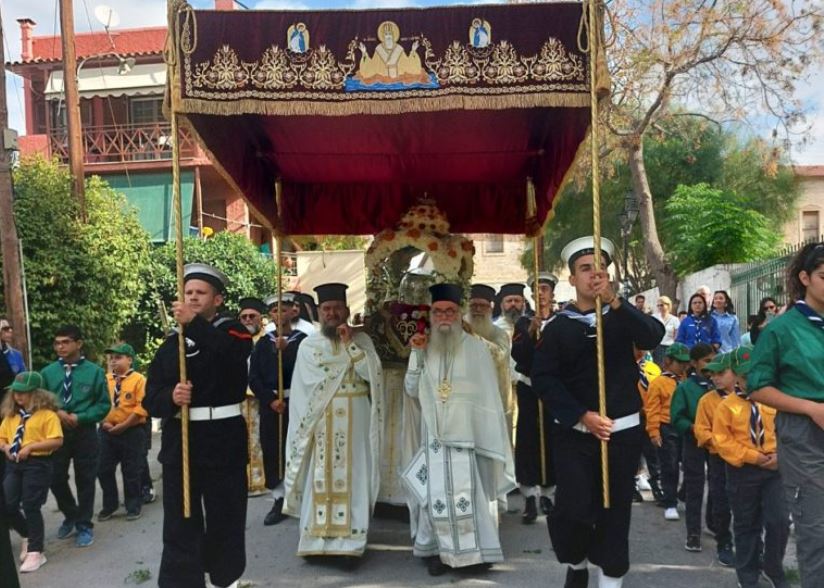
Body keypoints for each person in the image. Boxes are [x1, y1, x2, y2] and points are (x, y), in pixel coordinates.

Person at [531, 236, 664, 588]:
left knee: (615, 514)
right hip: (576, 435)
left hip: (622, 436)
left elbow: (652, 337)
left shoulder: (623, 318)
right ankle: (576, 562)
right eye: (585, 269)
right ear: (572, 279)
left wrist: (616, 302)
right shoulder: (558, 327)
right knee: (572, 511)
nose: (594, 275)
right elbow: (544, 379)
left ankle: (610, 578)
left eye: (600, 269)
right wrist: (581, 416)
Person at [144, 263, 253, 588]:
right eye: (188, 292)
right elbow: (150, 397)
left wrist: (193, 326)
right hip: (183, 444)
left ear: (217, 299)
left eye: (199, 293)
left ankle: (225, 578)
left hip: (223, 441)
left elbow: (233, 353)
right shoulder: (171, 344)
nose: (192, 298)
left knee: (225, 515)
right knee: (180, 521)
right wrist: (171, 396)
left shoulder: (234, 331)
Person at [403, 283, 515, 576]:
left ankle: (476, 552)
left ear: (458, 314)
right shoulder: (423, 347)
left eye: (449, 311)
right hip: (436, 437)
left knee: (471, 494)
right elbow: (412, 390)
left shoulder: (477, 348)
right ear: (430, 314)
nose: (443, 317)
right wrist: (415, 355)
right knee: (435, 496)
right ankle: (437, 553)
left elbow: (486, 394)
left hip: (468, 435)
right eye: (438, 312)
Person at [282, 283, 384, 560]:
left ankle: (350, 545)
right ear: (318, 312)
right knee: (321, 477)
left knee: (355, 476)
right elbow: (305, 391)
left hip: (357, 418)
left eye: (337, 308)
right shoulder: (308, 345)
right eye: (326, 309)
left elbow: (371, 377)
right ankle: (316, 543)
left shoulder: (362, 342)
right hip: (321, 421)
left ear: (347, 311)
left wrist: (350, 344)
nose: (332, 313)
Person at [748, 241, 824, 587]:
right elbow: (758, 386)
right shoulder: (780, 329)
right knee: (817, 530)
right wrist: (810, 408)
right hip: (804, 435)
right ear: (805, 278)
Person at [713, 347, 790, 588]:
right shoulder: (727, 406)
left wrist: (781, 455)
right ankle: (747, 574)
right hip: (743, 470)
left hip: (775, 468)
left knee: (779, 521)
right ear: (735, 375)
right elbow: (722, 441)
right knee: (746, 523)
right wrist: (751, 457)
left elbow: (788, 431)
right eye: (745, 376)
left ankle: (773, 566)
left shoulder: (775, 399)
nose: (750, 381)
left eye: (754, 374)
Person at [40, 325, 109, 548]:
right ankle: (71, 514)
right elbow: (40, 402)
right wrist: (57, 412)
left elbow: (103, 405)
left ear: (78, 344)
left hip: (85, 432)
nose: (60, 347)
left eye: (65, 342)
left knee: (86, 478)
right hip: (56, 432)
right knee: (55, 477)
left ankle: (84, 525)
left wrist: (81, 417)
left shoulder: (95, 372)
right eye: (57, 343)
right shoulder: (48, 373)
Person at [248, 292, 307, 526]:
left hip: (297, 402)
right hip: (272, 404)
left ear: (293, 311)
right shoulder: (263, 343)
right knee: (274, 449)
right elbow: (254, 377)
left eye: (284, 309)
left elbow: (305, 371)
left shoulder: (303, 340)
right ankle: (279, 498)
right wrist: (270, 400)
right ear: (270, 315)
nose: (279, 314)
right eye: (274, 310)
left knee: (297, 447)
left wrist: (286, 351)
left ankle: (302, 495)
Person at [0, 372, 63, 573]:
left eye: (24, 393)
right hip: (14, 463)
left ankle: (36, 551)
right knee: (7, 503)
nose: (18, 396)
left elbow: (57, 440)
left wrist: (31, 447)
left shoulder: (47, 415)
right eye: (15, 392)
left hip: (38, 463)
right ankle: (27, 534)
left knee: (31, 504)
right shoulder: (11, 416)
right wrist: (6, 447)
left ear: (37, 393)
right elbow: (1, 438)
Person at [512, 272, 558, 523]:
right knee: (528, 439)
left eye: (545, 289)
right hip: (529, 386)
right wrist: (531, 330)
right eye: (536, 289)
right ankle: (529, 495)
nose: (540, 293)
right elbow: (518, 353)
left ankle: (548, 493)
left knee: (551, 437)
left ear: (552, 293)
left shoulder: (562, 320)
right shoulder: (522, 323)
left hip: (553, 387)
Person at [669, 344, 723, 555]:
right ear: (694, 363)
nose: (711, 365)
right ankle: (693, 532)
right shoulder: (685, 388)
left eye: (714, 360)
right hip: (694, 440)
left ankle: (714, 522)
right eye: (706, 361)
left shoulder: (718, 386)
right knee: (695, 486)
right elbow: (677, 417)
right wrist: (693, 428)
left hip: (716, 442)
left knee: (718, 485)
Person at [693, 352, 735, 566]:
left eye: (721, 373)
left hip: (745, 460)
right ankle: (723, 541)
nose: (715, 378)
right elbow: (701, 430)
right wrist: (721, 443)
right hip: (719, 457)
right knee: (721, 499)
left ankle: (755, 546)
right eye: (712, 374)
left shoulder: (748, 397)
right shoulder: (707, 401)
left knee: (748, 503)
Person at [97, 343, 148, 522]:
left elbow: (142, 406)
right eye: (111, 358)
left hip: (131, 430)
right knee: (102, 468)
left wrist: (124, 425)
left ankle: (133, 504)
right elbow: (98, 403)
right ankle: (110, 504)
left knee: (131, 469)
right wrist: (104, 421)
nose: (113, 362)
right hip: (106, 430)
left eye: (118, 358)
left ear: (130, 360)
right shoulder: (105, 380)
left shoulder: (138, 380)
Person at [644, 343, 690, 520]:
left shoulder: (684, 381)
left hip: (684, 427)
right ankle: (670, 501)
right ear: (668, 361)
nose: (684, 366)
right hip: (666, 427)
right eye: (680, 362)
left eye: (686, 363)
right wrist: (654, 432)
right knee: (669, 466)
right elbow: (652, 410)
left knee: (689, 464)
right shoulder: (658, 383)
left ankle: (682, 494)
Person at [466, 284, 512, 425]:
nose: (478, 310)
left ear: (490, 308)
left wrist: (472, 336)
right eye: (474, 305)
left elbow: (499, 355)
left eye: (482, 306)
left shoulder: (499, 333)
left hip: (494, 401)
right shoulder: (459, 334)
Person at [237, 297, 268, 496]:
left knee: (260, 439)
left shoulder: (268, 340)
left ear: (260, 319)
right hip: (239, 398)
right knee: (242, 439)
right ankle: (244, 480)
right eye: (244, 317)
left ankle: (261, 480)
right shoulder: (235, 339)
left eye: (252, 316)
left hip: (261, 398)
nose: (248, 320)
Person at [652, 296, 680, 365]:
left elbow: (676, 335)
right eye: (658, 305)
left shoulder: (675, 319)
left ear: (668, 305)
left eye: (661, 305)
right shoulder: (654, 317)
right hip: (657, 346)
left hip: (670, 347)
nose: (659, 307)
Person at [0, 318, 26, 389]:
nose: (10, 331)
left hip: (11, 394)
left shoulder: (16, 355)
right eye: (5, 329)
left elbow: (23, 378)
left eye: (10, 328)